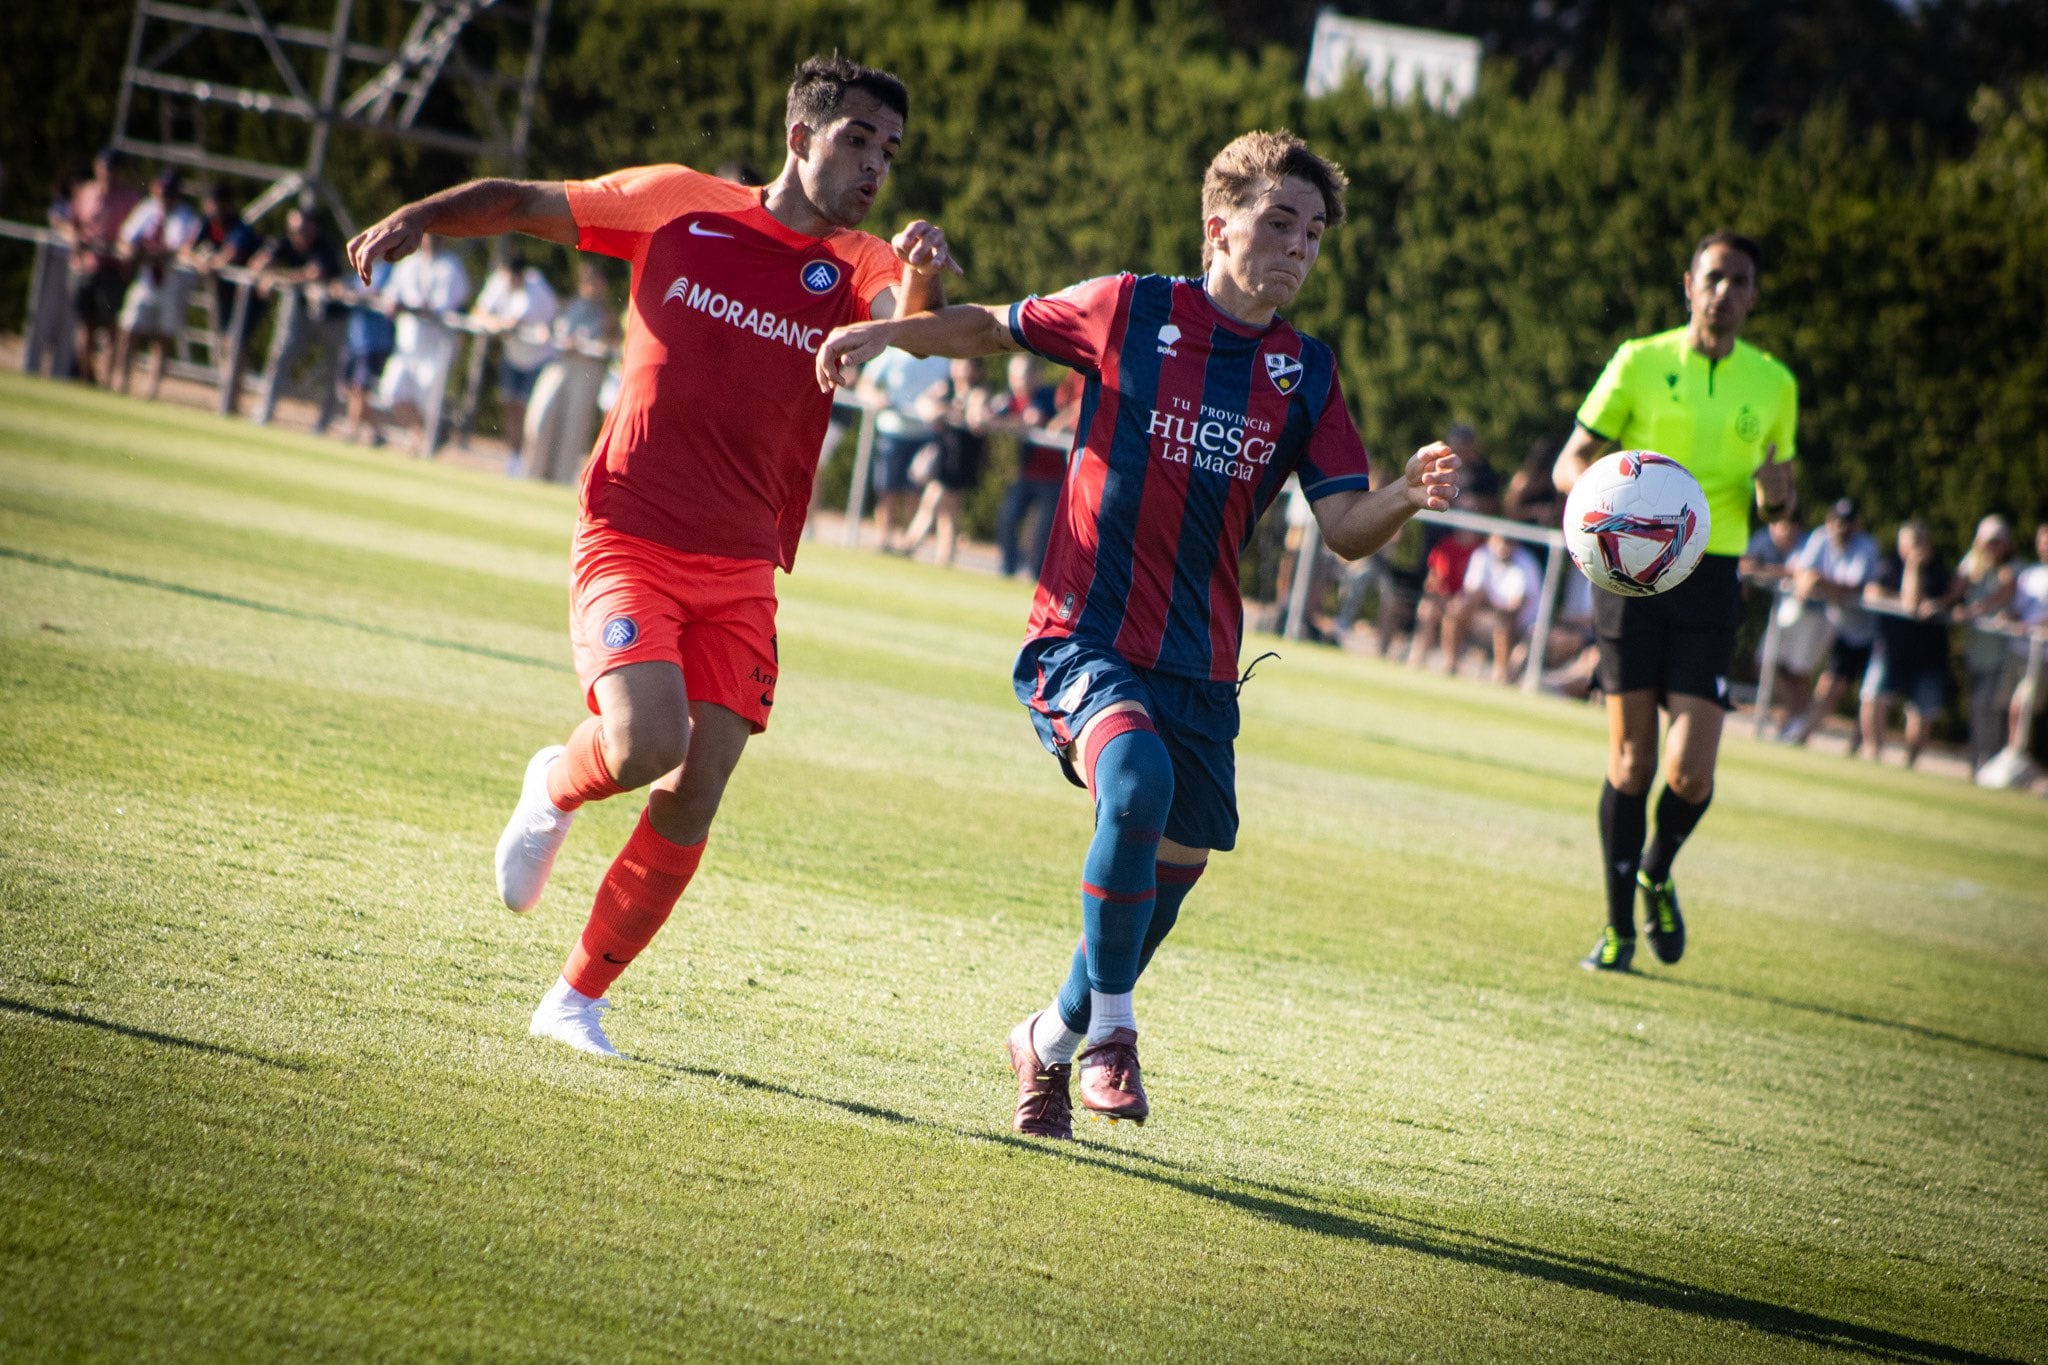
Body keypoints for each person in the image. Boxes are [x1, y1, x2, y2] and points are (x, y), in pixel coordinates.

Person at [815, 129, 1460, 1138]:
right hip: (1083, 636)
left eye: (1315, 232)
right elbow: (988, 329)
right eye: (1279, 220)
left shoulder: (1304, 372)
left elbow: (1341, 533)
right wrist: (892, 329)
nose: (1300, 244)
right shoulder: (1130, 308)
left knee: (1164, 883)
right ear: (1217, 224)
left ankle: (1050, 1039)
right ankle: (1114, 1038)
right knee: (1134, 786)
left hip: (1200, 668)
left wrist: (1402, 498)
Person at [345, 53, 954, 1058]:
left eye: (888, 150)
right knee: (641, 746)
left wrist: (921, 265)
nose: (874, 166)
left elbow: (915, 333)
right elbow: (523, 201)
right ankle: (554, 785)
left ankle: (573, 1000)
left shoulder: (861, 262)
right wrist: (423, 215)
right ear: (800, 137)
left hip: (745, 561)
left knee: (697, 783)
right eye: (857, 141)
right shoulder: (678, 205)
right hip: (629, 530)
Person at [1552, 230, 1797, 973]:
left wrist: (1780, 499)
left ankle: (1658, 869)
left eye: (1740, 281)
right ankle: (1618, 927)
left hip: (1711, 577)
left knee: (1690, 774)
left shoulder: (1774, 384)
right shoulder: (1639, 359)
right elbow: (1570, 462)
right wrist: (1595, 496)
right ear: (1688, 283)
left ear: (1753, 296)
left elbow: (1779, 494)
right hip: (1628, 580)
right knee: (1633, 763)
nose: (1724, 291)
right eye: (1713, 276)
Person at [1779, 499, 1881, 749]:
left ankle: (1865, 752)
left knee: (1869, 697)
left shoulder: (1867, 547)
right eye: (1837, 522)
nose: (1841, 528)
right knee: (1829, 688)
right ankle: (1799, 736)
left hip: (1874, 634)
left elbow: (1851, 588)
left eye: (1847, 523)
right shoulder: (1821, 537)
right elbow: (1803, 573)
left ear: (1857, 525)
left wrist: (1819, 581)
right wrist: (1815, 581)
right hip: (1845, 629)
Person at [1859, 520, 1957, 768]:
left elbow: (1913, 602)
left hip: (1927, 652)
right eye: (1912, 544)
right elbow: (1872, 591)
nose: (1917, 549)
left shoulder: (1937, 571)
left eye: (1921, 543)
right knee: (1873, 698)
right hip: (1891, 646)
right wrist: (1897, 596)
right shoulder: (1890, 564)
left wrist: (1914, 568)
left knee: (1921, 711)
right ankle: (1873, 752)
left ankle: (1910, 763)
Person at [368, 234, 472, 454]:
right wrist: (394, 305)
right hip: (407, 344)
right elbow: (391, 294)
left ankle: (426, 440)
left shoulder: (450, 267)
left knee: (428, 400)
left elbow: (446, 306)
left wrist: (415, 308)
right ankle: (421, 432)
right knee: (391, 392)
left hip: (435, 346)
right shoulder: (409, 264)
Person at [249, 206, 349, 432]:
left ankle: (324, 424)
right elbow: (257, 264)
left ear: (313, 227)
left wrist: (274, 277)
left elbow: (310, 274)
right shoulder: (285, 241)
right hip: (303, 313)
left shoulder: (325, 246)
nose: (296, 235)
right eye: (292, 230)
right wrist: (265, 271)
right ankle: (265, 410)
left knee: (332, 372)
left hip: (333, 318)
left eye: (301, 230)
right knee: (280, 355)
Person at [521, 260, 621, 481]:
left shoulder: (606, 314)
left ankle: (561, 479)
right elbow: (549, 328)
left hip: (586, 369)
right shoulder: (568, 305)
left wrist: (593, 343)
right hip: (560, 364)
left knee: (573, 430)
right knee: (540, 418)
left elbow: (614, 343)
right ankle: (532, 474)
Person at [111, 169, 205, 399]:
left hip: (171, 282)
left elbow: (175, 250)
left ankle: (152, 387)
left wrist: (148, 252)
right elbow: (127, 238)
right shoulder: (147, 209)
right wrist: (131, 250)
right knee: (129, 327)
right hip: (146, 278)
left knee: (163, 336)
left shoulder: (185, 216)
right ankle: (120, 379)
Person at [897, 356, 991, 566]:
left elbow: (975, 419)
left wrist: (946, 412)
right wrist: (937, 411)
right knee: (947, 510)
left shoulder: (978, 391)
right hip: (945, 451)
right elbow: (924, 402)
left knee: (934, 500)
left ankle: (911, 543)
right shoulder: (946, 387)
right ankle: (945, 556)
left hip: (963, 454)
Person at [470, 251, 561, 469]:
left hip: (537, 359)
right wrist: (496, 324)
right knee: (510, 405)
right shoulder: (498, 284)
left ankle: (531, 462)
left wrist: (529, 327)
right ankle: (514, 458)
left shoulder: (537, 287)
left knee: (530, 414)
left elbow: (551, 320)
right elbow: (479, 312)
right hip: (512, 355)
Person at [856, 344, 949, 549]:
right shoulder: (892, 352)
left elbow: (950, 389)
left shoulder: (942, 355)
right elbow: (866, 385)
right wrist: (877, 398)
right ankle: (884, 540)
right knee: (886, 489)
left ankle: (906, 545)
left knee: (916, 492)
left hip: (925, 434)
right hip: (893, 430)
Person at [63, 149, 142, 387]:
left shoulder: (130, 198)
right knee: (85, 324)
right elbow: (70, 223)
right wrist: (74, 237)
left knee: (110, 326)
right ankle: (86, 377)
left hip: (113, 269)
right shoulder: (86, 192)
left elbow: (134, 234)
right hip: (85, 266)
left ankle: (107, 379)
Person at [989, 354, 1069, 578]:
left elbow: (1034, 419)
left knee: (1043, 532)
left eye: (1022, 375)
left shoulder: (1047, 395)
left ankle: (1036, 575)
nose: (1017, 381)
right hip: (1025, 475)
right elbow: (993, 417)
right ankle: (1008, 568)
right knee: (1008, 517)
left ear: (1035, 376)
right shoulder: (1010, 399)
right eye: (1013, 376)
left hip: (1052, 477)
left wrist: (1011, 423)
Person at [1950, 514, 2018, 772]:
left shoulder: (2010, 569)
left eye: (1997, 542)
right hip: (1975, 649)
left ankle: (1989, 763)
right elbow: (1957, 592)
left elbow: (2004, 594)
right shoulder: (1972, 564)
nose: (1993, 547)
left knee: (1991, 709)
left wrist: (1977, 609)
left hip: (2000, 653)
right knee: (1977, 708)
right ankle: (1976, 761)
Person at [1741, 510, 1820, 732]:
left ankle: (1799, 720)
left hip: (1809, 613)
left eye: (1784, 525)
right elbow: (1746, 565)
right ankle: (1796, 714)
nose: (1778, 531)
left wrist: (1768, 572)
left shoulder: (1808, 544)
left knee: (1797, 672)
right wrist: (1779, 573)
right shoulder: (1764, 538)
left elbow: (1804, 575)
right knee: (1763, 664)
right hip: (1782, 612)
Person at [1445, 531, 1544, 684]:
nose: (1503, 547)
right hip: (1486, 617)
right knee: (1456, 610)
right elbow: (1473, 594)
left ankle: (1501, 675)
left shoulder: (1526, 563)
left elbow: (1515, 607)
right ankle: (1451, 663)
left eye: (1508, 542)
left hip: (1521, 626)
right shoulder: (1482, 555)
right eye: (1500, 541)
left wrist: (1491, 607)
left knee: (1503, 622)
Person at [340, 258, 397, 444]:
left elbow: (380, 294)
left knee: (360, 388)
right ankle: (376, 431)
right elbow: (346, 285)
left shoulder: (392, 271)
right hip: (355, 337)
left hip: (374, 341)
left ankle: (351, 430)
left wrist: (358, 295)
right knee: (348, 387)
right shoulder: (367, 267)